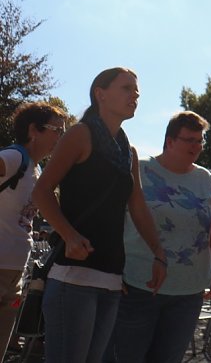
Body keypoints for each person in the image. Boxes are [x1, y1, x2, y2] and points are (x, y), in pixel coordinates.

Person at [32, 67, 167, 363]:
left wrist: (158, 252)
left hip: (111, 277)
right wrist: (68, 235)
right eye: (126, 88)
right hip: (73, 276)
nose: (135, 95)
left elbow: (137, 205)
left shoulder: (127, 151)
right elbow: (41, 192)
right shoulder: (80, 134)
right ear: (100, 94)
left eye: (137, 90)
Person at [109, 111, 211, 363]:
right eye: (189, 140)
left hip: (189, 291)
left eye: (200, 141)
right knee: (126, 357)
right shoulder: (140, 168)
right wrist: (112, 267)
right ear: (170, 141)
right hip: (139, 285)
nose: (196, 146)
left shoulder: (205, 178)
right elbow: (112, 220)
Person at [0, 102, 66, 359]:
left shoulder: (35, 170)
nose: (61, 138)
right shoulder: (14, 158)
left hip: (15, 272)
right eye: (56, 130)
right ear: (33, 130)